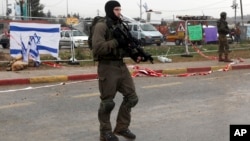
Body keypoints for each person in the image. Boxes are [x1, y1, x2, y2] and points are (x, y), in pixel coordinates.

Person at [92, 1, 139, 141]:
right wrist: (116, 42)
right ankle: (105, 133)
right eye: (116, 9)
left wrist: (135, 53)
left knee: (132, 98)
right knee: (107, 103)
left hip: (121, 65)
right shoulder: (101, 26)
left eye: (120, 9)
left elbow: (125, 45)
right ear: (109, 10)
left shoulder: (119, 25)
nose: (119, 12)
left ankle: (122, 127)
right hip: (107, 66)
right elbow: (98, 48)